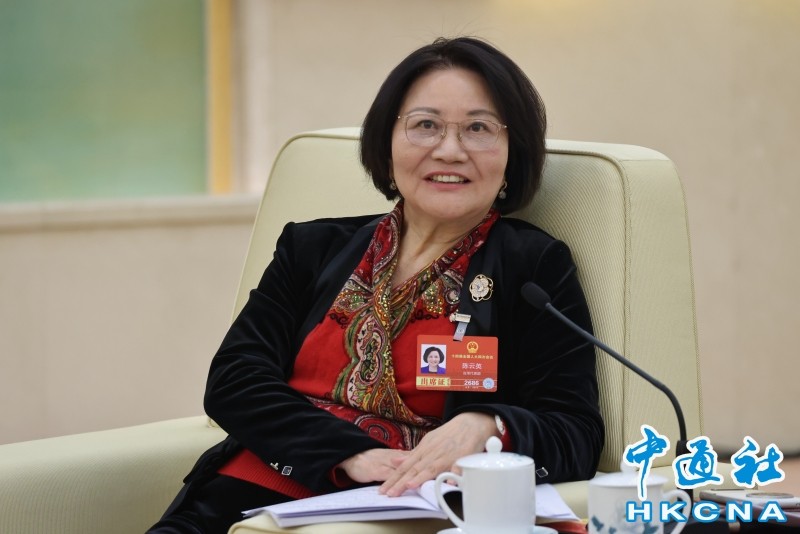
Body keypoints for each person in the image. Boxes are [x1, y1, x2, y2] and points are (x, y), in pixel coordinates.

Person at [148, 36, 604, 533]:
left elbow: (575, 432)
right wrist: (350, 454)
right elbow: (235, 380)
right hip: (234, 498)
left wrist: (489, 425)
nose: (450, 150)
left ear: (513, 155)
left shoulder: (532, 268)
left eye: (478, 128)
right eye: (425, 125)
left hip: (384, 515)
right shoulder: (312, 247)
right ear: (386, 146)